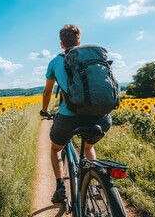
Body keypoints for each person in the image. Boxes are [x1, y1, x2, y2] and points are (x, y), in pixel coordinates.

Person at [40, 24, 112, 205]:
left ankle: (60, 188)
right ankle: (95, 184)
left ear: (61, 44)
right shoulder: (93, 58)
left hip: (69, 116)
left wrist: (45, 111)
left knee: (56, 148)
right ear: (79, 41)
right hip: (101, 116)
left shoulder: (56, 61)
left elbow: (47, 92)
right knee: (88, 147)